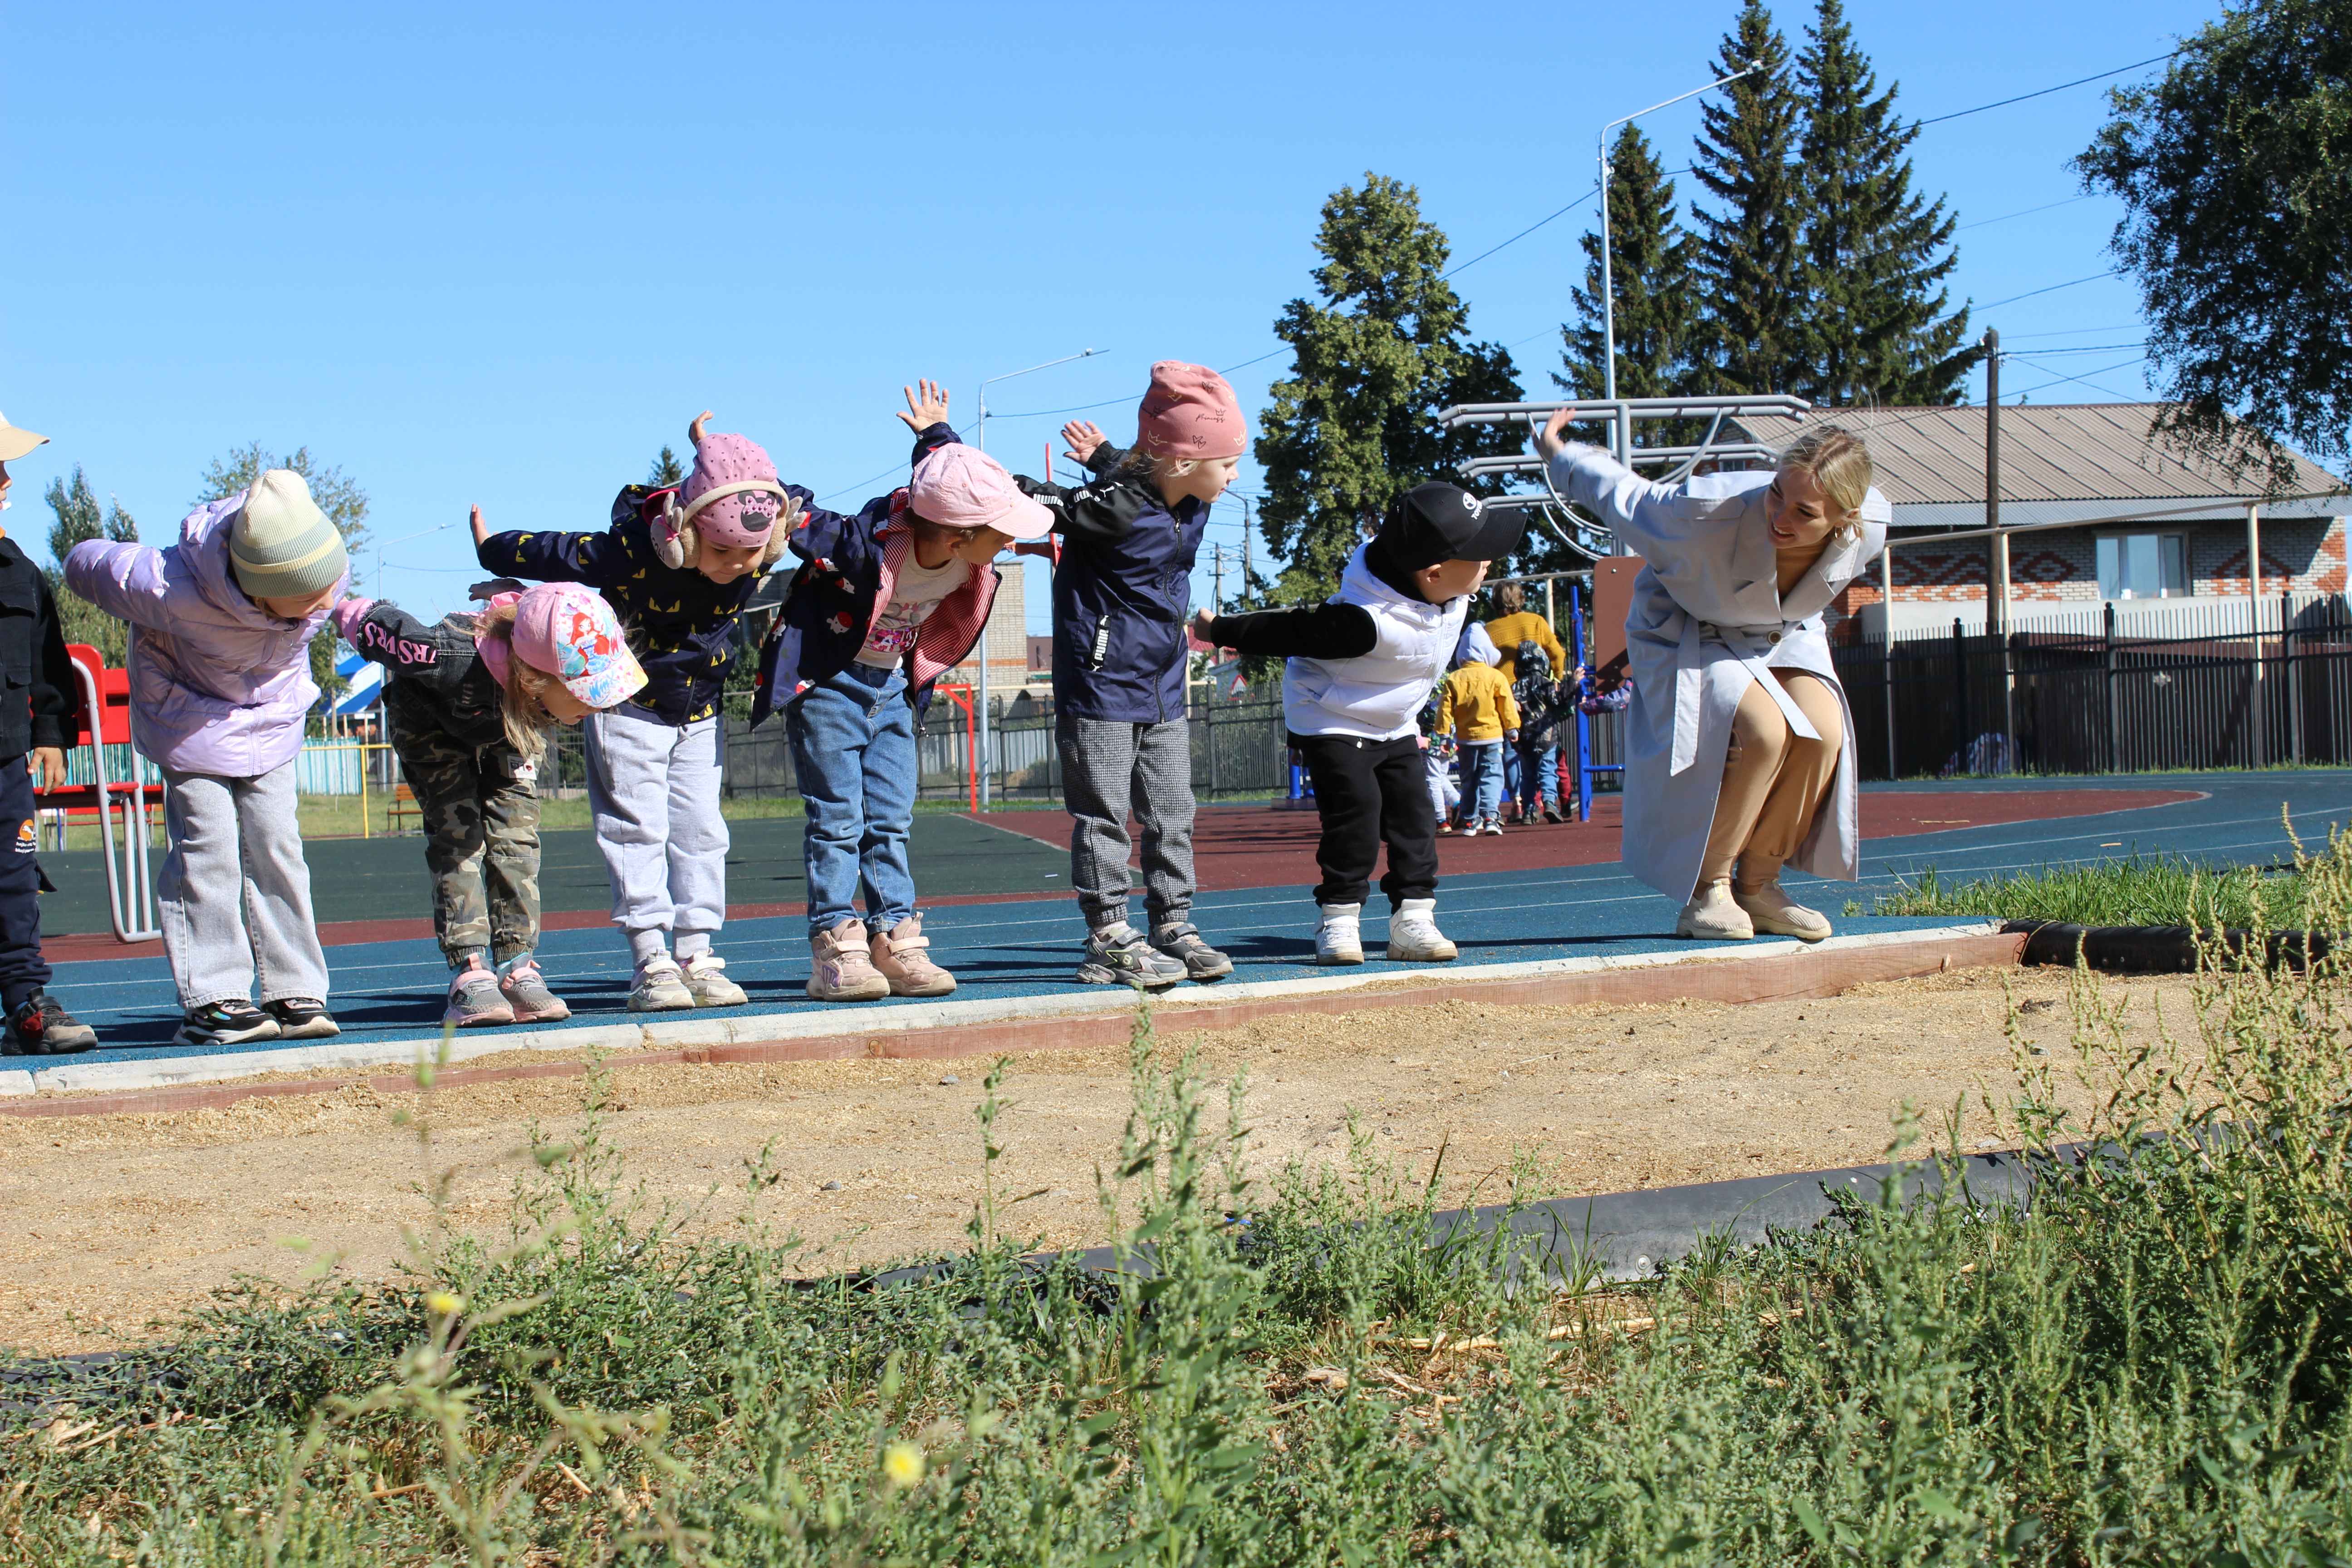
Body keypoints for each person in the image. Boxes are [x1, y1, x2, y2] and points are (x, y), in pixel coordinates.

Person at [475, 411, 789, 1011]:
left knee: (703, 833)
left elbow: (786, 493)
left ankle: (697, 955)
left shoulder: (759, 533)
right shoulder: (631, 552)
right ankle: (651, 959)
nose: (736, 565)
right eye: (721, 550)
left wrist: (715, 451)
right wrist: (493, 549)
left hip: (700, 712)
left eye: (752, 553)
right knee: (636, 830)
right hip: (629, 708)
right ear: (682, 533)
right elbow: (558, 552)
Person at [1539, 414, 1890, 942]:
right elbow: (1624, 495)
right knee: (1762, 732)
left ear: (1848, 517)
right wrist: (1560, 453)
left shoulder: (1872, 530)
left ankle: (1760, 885)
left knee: (1824, 734)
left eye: (1804, 513)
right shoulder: (1703, 513)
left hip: (1782, 631)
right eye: (1776, 494)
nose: (1780, 517)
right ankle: (1708, 889)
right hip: (1690, 625)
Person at [752, 382, 1049, 1002]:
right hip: (830, 688)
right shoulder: (864, 546)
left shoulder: (966, 547)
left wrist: (935, 433)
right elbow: (796, 513)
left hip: (892, 690)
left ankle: (893, 936)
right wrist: (734, 476)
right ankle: (835, 944)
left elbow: (947, 473)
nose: (1010, 542)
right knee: (838, 821)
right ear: (957, 534)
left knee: (890, 821)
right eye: (1001, 532)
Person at [67, 470, 346, 1046]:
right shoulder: (170, 587)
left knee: (278, 844)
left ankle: (295, 988)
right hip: (190, 720)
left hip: (271, 718)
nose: (323, 604)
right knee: (208, 848)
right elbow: (87, 564)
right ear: (257, 587)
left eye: (327, 590)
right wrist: (83, 562)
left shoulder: (319, 566)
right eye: (306, 600)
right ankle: (215, 998)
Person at [1193, 481, 1524, 965]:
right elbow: (1291, 630)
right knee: (1357, 816)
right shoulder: (1363, 621)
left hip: (1394, 719)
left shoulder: (1446, 592)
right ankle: (1339, 918)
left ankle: (1413, 919)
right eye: (1478, 554)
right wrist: (1219, 629)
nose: (1490, 561)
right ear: (1433, 573)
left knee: (1415, 817)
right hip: (1332, 716)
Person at [1015, 362, 1244, 989]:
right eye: (1227, 462)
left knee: (1173, 814)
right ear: (1186, 460)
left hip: (1163, 685)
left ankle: (1173, 923)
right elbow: (1035, 497)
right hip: (1102, 684)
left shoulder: (1191, 499)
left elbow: (1145, 467)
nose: (1234, 475)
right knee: (1104, 817)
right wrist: (944, 449)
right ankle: (1108, 936)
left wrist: (1104, 454)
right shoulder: (1113, 508)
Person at [334, 579, 647, 1026]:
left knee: (516, 837)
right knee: (459, 836)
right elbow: (388, 630)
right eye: (585, 691)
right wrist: (338, 606)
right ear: (537, 675)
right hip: (430, 726)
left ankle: (518, 966)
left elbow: (544, 616)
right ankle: (471, 971)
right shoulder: (447, 656)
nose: (597, 706)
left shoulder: (538, 679)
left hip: (510, 722)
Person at [0, 412, 97, 1054]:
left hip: (7, 760)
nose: (7, 479)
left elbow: (48, 663)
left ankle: (26, 1005)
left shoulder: (20, 571)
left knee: (14, 881)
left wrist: (52, 733)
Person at [1483, 582, 1566, 822]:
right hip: (1538, 696)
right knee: (1547, 751)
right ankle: (1548, 799)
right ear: (1521, 598)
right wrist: (1557, 679)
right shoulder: (1535, 621)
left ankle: (1519, 802)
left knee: (1513, 749)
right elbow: (1557, 653)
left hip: (1507, 695)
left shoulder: (1489, 630)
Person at [1436, 624, 1517, 835]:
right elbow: (1507, 706)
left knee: (1469, 779)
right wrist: (1512, 729)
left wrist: (1444, 735)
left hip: (1465, 739)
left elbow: (1445, 710)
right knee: (1492, 776)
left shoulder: (1454, 678)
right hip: (1492, 737)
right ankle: (1491, 816)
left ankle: (1470, 820)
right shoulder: (1496, 677)